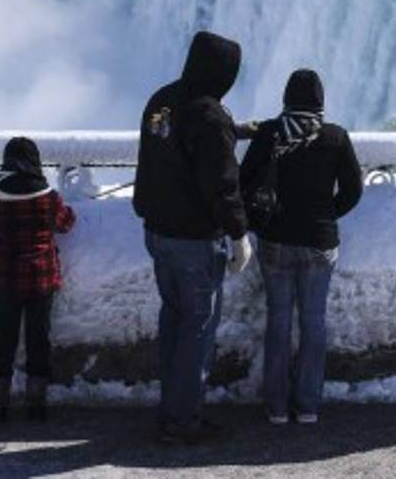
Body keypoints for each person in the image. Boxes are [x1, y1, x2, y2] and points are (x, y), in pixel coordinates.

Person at [132, 30, 252, 445]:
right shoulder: (209, 116)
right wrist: (239, 234)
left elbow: (171, 147)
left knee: (174, 321)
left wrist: (232, 129)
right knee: (197, 330)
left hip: (157, 230)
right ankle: (184, 421)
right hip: (194, 240)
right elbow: (222, 183)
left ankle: (171, 410)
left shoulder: (161, 100)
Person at [240, 68, 363, 426]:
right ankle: (308, 405)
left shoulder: (268, 134)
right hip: (319, 243)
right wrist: (326, 214)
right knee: (313, 322)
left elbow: (245, 181)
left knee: (278, 320)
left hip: (275, 241)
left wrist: (261, 220)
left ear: (286, 98)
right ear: (320, 101)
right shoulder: (336, 137)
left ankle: (277, 406)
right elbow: (353, 191)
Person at [0, 135, 76, 423]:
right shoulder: (48, 196)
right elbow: (66, 223)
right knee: (39, 339)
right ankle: (36, 402)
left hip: (8, 278)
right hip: (41, 278)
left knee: (4, 340)